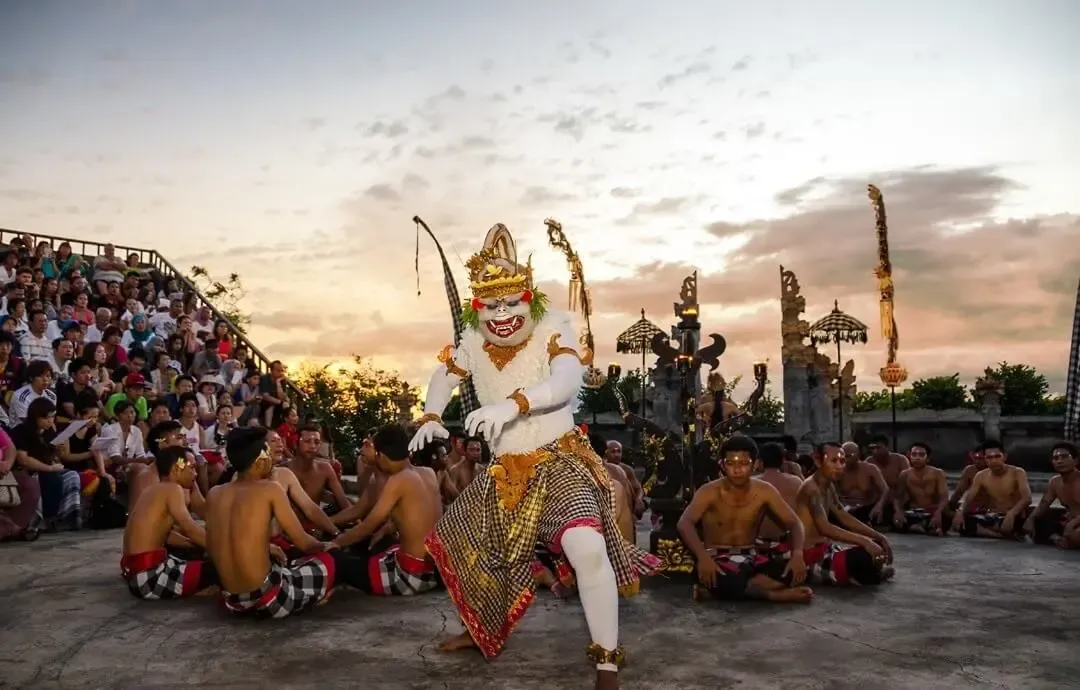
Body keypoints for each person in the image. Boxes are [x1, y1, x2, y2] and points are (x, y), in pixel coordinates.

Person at [408, 223, 657, 687]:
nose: (502, 314)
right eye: (491, 306)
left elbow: (566, 380)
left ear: (530, 300)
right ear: (478, 308)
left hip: (560, 463)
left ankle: (606, 661)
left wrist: (513, 404)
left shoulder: (552, 327)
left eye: (511, 303)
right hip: (504, 473)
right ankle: (477, 630)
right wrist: (432, 414)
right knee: (469, 549)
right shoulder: (473, 339)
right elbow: (445, 375)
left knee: (586, 548)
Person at [205, 427, 349, 618]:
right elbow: (304, 542)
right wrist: (328, 546)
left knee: (288, 564)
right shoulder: (270, 489)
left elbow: (213, 545)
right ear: (260, 460)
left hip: (232, 600)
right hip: (269, 600)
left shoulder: (214, 493)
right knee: (333, 560)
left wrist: (265, 547)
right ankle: (314, 595)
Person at [677, 435, 810, 603]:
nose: (737, 470)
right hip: (716, 556)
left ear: (755, 464)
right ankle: (774, 595)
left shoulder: (764, 491)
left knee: (795, 572)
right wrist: (703, 557)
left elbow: (795, 523)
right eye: (730, 463)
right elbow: (684, 523)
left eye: (744, 463)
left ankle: (721, 591)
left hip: (751, 556)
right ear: (722, 465)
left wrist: (797, 555)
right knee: (727, 579)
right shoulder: (708, 491)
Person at [330, 424, 443, 596]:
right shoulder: (429, 473)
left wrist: (336, 543)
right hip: (435, 571)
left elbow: (368, 525)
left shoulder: (399, 479)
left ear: (381, 455)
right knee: (372, 546)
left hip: (411, 576)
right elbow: (418, 518)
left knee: (338, 562)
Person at [120, 446, 218, 599]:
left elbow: (166, 533)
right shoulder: (173, 489)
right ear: (176, 468)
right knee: (221, 568)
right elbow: (190, 528)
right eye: (192, 468)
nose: (195, 473)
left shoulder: (155, 489)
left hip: (137, 575)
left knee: (203, 557)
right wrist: (224, 549)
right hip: (149, 579)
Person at [794, 442, 895, 586]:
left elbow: (844, 516)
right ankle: (860, 575)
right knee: (862, 556)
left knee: (877, 545)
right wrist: (865, 541)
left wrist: (878, 536)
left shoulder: (828, 485)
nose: (839, 466)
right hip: (810, 555)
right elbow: (825, 528)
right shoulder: (811, 488)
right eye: (833, 461)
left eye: (842, 461)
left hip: (826, 548)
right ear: (818, 461)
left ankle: (861, 574)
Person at [951, 440, 1032, 539]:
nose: (993, 461)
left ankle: (991, 531)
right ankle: (998, 535)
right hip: (992, 516)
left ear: (1005, 457)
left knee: (1010, 525)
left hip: (1013, 516)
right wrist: (960, 512)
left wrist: (1012, 513)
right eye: (989, 457)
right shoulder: (981, 475)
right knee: (964, 523)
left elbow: (1027, 498)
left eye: (997, 456)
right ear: (985, 459)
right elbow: (969, 498)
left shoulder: (1018, 472)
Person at [1023, 442, 1080, 547]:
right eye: (1056, 458)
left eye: (1064, 457)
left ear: (1075, 460)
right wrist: (1031, 519)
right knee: (1033, 521)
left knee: (1075, 535)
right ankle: (1060, 540)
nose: (1060, 461)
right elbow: (1043, 504)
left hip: (1076, 523)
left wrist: (1071, 525)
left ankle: (1064, 540)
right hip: (1069, 520)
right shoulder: (1055, 482)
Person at [285, 424, 351, 513]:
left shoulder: (325, 469)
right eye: (307, 441)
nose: (312, 446)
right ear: (295, 444)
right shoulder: (283, 470)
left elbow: (344, 503)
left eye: (316, 442)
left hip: (317, 519)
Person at [892, 442, 951, 536]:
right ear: (909, 456)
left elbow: (944, 497)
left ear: (928, 458)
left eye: (921, 455)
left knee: (945, 519)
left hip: (934, 510)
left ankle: (922, 527)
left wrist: (938, 513)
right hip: (915, 511)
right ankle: (920, 526)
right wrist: (898, 511)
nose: (917, 458)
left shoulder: (937, 473)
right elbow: (897, 497)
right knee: (898, 522)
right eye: (914, 454)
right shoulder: (905, 474)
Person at [755, 441, 803, 549]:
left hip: (758, 544)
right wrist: (799, 473)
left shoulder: (752, 483)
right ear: (782, 461)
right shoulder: (796, 482)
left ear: (760, 462)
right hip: (787, 544)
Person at [836, 441, 890, 526]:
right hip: (845, 507)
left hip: (866, 508)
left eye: (849, 456)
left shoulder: (870, 469)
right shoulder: (837, 470)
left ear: (858, 455)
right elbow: (831, 491)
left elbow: (885, 489)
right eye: (843, 455)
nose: (845, 459)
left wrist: (879, 505)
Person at [949, 445, 988, 510]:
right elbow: (959, 492)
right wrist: (950, 506)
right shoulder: (970, 470)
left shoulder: (996, 471)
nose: (977, 461)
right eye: (976, 458)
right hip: (974, 506)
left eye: (981, 459)